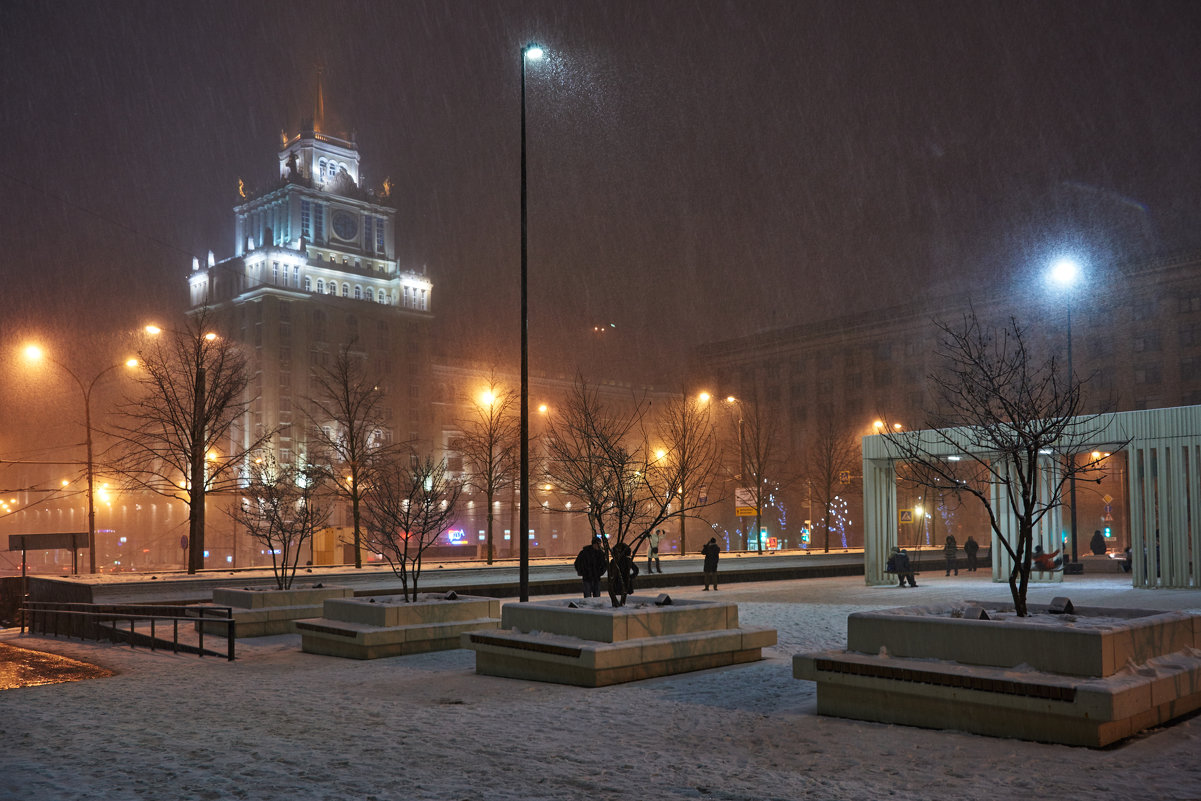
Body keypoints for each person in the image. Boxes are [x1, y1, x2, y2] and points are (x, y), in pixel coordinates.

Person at [607, 541, 639, 606]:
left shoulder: (614, 561)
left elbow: (609, 572)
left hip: (616, 583)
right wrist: (630, 577)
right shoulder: (627, 560)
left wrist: (612, 579)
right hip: (625, 582)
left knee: (619, 598)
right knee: (624, 599)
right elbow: (636, 570)